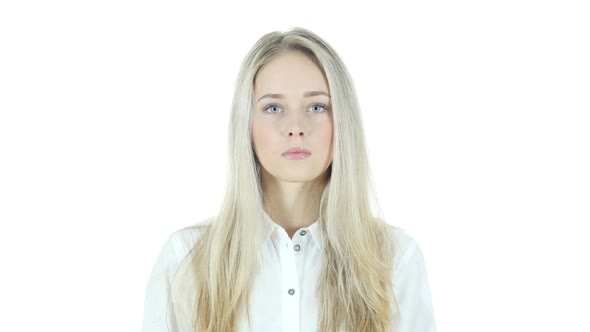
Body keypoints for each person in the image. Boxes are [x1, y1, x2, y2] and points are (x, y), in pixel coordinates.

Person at [141, 27, 437, 332]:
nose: (295, 127)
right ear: (247, 124)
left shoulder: (395, 260)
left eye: (317, 107)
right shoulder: (186, 260)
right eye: (273, 108)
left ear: (342, 121)